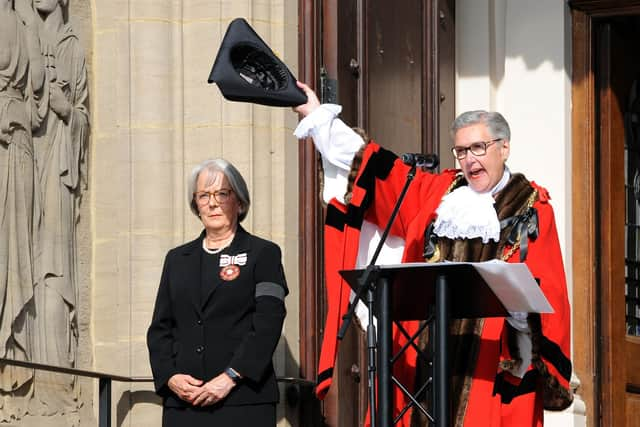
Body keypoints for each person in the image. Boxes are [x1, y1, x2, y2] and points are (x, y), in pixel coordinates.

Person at [293, 82, 572, 426]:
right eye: (461, 151)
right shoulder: (440, 192)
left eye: (479, 148)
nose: (469, 160)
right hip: (425, 356)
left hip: (489, 364)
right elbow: (382, 176)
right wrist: (319, 117)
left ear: (504, 148)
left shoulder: (533, 208)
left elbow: (550, 290)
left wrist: (521, 327)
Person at [147, 158, 288, 427]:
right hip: (184, 403)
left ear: (240, 201)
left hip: (243, 400)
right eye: (203, 195)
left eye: (222, 193)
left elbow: (268, 322)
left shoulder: (263, 254)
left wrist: (231, 377)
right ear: (195, 204)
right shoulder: (177, 259)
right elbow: (160, 328)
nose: (212, 203)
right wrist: (170, 377)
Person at [0, 0, 45, 419]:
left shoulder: (19, 19)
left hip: (17, 145)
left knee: (13, 253)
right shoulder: (21, 20)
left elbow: (40, 94)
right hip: (15, 138)